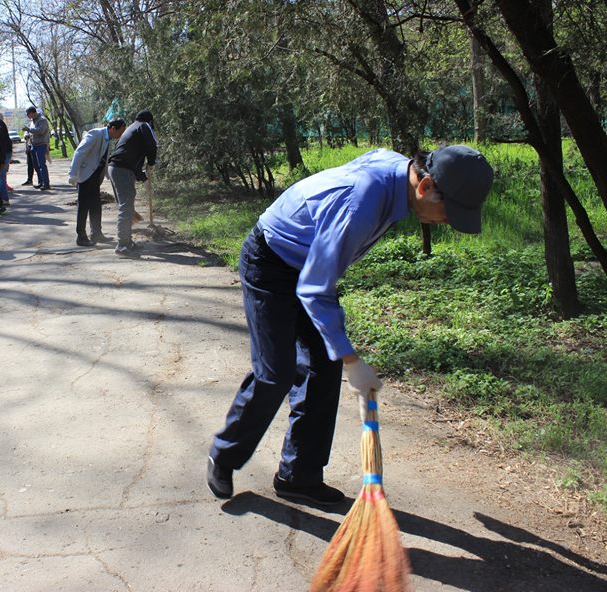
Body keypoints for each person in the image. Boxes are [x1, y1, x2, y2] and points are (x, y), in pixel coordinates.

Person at [206, 145, 494, 505]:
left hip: (308, 262)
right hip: (270, 261)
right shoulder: (363, 202)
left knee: (323, 365)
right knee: (275, 372)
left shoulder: (398, 173)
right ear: (425, 186)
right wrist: (353, 362)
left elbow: (319, 272)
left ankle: (298, 475)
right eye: (449, 212)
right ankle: (224, 453)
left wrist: (340, 355)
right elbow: (314, 288)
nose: (448, 221)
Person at [107, 110, 157, 257]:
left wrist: (144, 179)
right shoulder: (143, 126)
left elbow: (132, 160)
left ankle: (127, 242)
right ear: (150, 121)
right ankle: (122, 246)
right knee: (126, 206)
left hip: (117, 169)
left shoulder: (131, 129)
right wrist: (152, 162)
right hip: (121, 169)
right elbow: (152, 145)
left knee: (126, 205)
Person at [68, 119, 126, 246]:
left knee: (95, 205)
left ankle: (96, 234)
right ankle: (81, 237)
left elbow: (103, 158)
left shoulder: (108, 139)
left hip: (95, 176)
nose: (120, 135)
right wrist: (72, 174)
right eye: (120, 132)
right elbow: (79, 152)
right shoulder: (95, 134)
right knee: (83, 206)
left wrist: (106, 173)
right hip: (85, 175)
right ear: (113, 129)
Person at [26, 105, 51, 190]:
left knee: (41, 165)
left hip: (41, 144)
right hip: (34, 145)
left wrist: (28, 130)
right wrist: (27, 134)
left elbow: (40, 131)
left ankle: (46, 184)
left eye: (28, 114)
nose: (27, 116)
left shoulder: (42, 120)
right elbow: (31, 131)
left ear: (33, 113)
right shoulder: (32, 121)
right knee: (36, 165)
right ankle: (41, 182)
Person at [0, 112, 13, 205]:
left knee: (1, 176)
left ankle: (4, 199)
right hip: (4, 152)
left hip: (4, 152)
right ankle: (2, 198)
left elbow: (0, 141)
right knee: (1, 176)